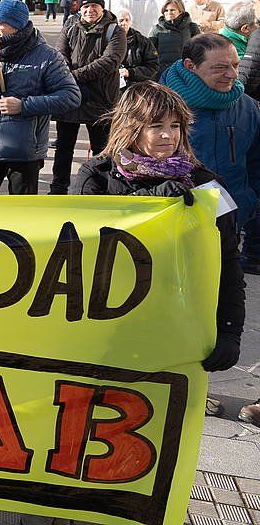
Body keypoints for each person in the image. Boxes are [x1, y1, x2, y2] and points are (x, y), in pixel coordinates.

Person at [73, 81, 243, 417]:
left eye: (175, 126)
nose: (168, 135)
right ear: (131, 127)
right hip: (110, 320)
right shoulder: (97, 175)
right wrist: (144, 205)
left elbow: (228, 263)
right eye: (156, 126)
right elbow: (78, 241)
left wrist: (229, 332)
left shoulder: (205, 184)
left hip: (177, 324)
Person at [0, 0, 80, 194]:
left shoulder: (47, 56)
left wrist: (24, 106)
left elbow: (71, 96)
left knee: (21, 215)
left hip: (24, 154)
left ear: (16, 26)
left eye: (0, 23)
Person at [162, 33, 260, 273]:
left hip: (230, 221)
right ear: (190, 66)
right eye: (220, 68)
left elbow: (256, 164)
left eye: (235, 65)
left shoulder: (248, 106)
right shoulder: (157, 104)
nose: (233, 75)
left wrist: (250, 204)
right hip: (170, 222)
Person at [50, 0, 127, 195]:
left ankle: (100, 187)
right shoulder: (71, 25)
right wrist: (66, 73)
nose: (90, 10)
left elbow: (110, 61)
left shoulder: (115, 31)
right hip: (70, 97)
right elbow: (60, 53)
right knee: (64, 148)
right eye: (86, 6)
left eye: (94, 6)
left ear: (102, 8)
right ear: (80, 8)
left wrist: (73, 76)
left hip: (100, 99)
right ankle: (58, 188)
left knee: (101, 149)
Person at [150, 0, 199, 76]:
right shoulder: (157, 28)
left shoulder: (191, 27)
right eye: (166, 10)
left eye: (172, 10)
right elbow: (149, 51)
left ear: (180, 11)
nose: (169, 12)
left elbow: (199, 49)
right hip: (162, 71)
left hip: (184, 70)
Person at [117, 9, 159, 87]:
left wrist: (130, 72)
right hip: (111, 88)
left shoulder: (143, 42)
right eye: (121, 20)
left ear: (131, 22)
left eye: (127, 20)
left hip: (135, 88)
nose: (124, 23)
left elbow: (153, 66)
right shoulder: (107, 40)